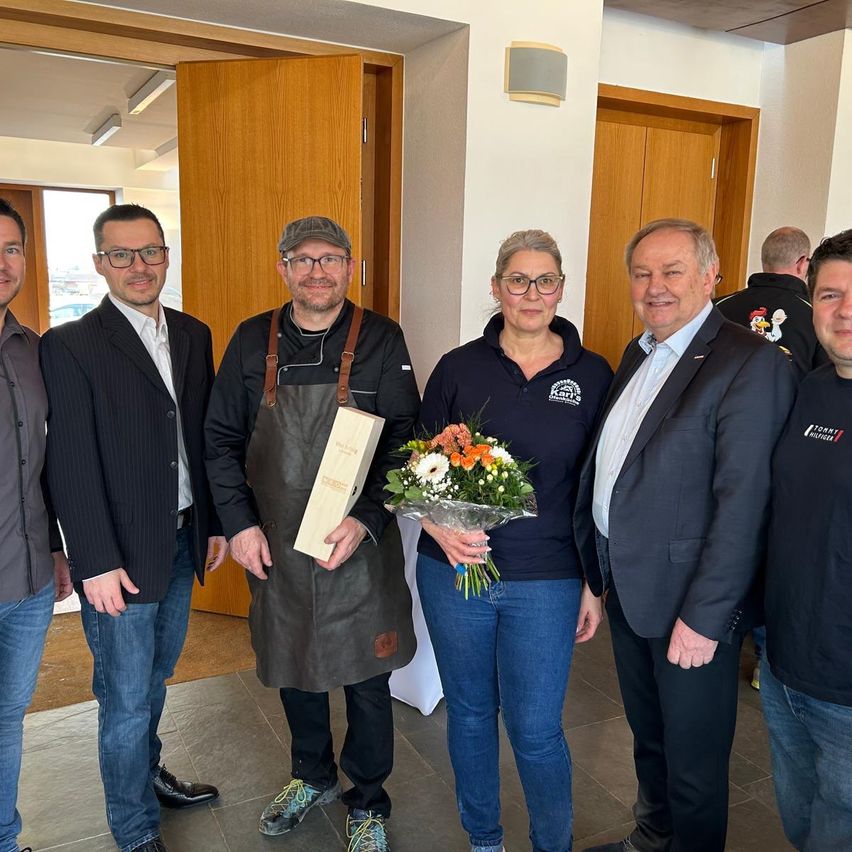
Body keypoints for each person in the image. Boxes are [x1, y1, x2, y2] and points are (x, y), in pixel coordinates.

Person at [574, 218, 796, 852]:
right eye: (642, 274)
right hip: (631, 587)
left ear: (709, 277)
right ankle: (651, 838)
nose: (656, 287)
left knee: (695, 766)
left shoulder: (749, 363)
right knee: (650, 740)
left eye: (672, 272)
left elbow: (745, 504)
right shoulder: (639, 350)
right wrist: (598, 573)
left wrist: (706, 616)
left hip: (692, 607)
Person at [204, 215, 419, 852]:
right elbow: (220, 441)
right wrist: (238, 525)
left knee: (365, 675)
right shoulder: (250, 340)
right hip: (274, 540)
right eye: (303, 259)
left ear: (349, 267)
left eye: (329, 259)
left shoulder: (382, 337)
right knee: (293, 662)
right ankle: (311, 776)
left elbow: (405, 442)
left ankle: (369, 801)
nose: (317, 271)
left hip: (359, 543)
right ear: (284, 269)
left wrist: (368, 519)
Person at [415, 229, 613, 852]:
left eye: (545, 280)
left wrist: (593, 584)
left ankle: (552, 844)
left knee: (535, 729)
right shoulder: (458, 367)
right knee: (470, 715)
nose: (532, 293)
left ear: (561, 288)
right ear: (497, 287)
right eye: (518, 280)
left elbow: (597, 487)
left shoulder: (594, 372)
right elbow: (416, 466)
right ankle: (484, 840)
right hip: (454, 573)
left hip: (548, 578)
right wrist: (436, 526)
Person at [40, 203, 228, 852]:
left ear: (167, 256)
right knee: (122, 698)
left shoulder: (195, 334)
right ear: (100, 264)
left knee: (155, 677)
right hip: (116, 554)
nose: (138, 266)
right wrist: (91, 559)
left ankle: (149, 778)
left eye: (149, 251)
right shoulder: (69, 345)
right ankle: (133, 827)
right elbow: (69, 461)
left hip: (180, 539)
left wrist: (215, 522)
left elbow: (204, 440)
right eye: (121, 255)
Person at [760, 228, 852, 852]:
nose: (844, 312)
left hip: (848, 690)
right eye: (829, 295)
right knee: (801, 824)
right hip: (783, 661)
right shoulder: (809, 388)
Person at [715, 226, 824, 690]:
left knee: (723, 538)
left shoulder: (719, 309)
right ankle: (764, 655)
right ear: (803, 264)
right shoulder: (814, 316)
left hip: (716, 452)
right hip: (786, 456)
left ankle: (716, 628)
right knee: (770, 552)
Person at [0, 198, 72, 852]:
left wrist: (55, 547)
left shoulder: (32, 351)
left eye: (12, 247)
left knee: (6, 719)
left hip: (24, 581)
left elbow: (42, 462)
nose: (2, 263)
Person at [716, 226, 827, 379]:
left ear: (764, 260)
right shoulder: (819, 314)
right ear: (802, 263)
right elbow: (825, 379)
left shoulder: (717, 307)